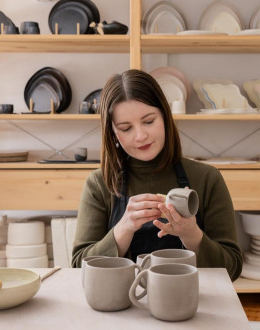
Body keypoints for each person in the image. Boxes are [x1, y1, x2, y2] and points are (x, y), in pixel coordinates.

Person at [71, 69, 243, 280]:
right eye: (126, 128)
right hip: (122, 306)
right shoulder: (99, 184)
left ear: (165, 116)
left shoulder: (207, 179)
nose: (141, 136)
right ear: (113, 134)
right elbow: (79, 266)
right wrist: (123, 228)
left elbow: (232, 268)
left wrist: (191, 234)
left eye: (149, 121)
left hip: (191, 303)